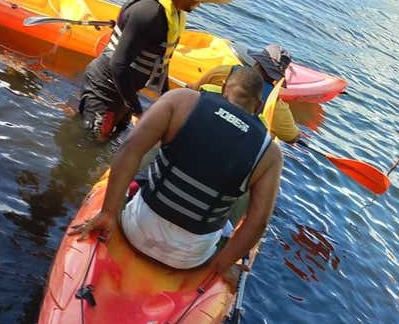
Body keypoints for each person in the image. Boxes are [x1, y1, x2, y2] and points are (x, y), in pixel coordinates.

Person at [70, 67, 283, 279]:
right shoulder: (270, 152)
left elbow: (129, 149)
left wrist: (108, 213)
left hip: (135, 229)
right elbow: (258, 221)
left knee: (153, 148)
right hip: (192, 258)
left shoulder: (181, 101)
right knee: (245, 190)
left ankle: (129, 193)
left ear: (224, 89)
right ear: (258, 107)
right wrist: (224, 265)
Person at [78, 0, 232, 140]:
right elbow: (118, 64)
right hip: (106, 88)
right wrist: (137, 111)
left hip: (126, 91)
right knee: (91, 141)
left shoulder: (173, 10)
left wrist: (165, 98)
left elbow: (161, 58)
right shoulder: (149, 13)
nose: (199, 3)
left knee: (111, 138)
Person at [194, 44, 300, 143]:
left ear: (257, 62)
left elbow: (193, 89)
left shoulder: (223, 71)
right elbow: (292, 137)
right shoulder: (274, 103)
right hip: (231, 145)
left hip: (199, 128)